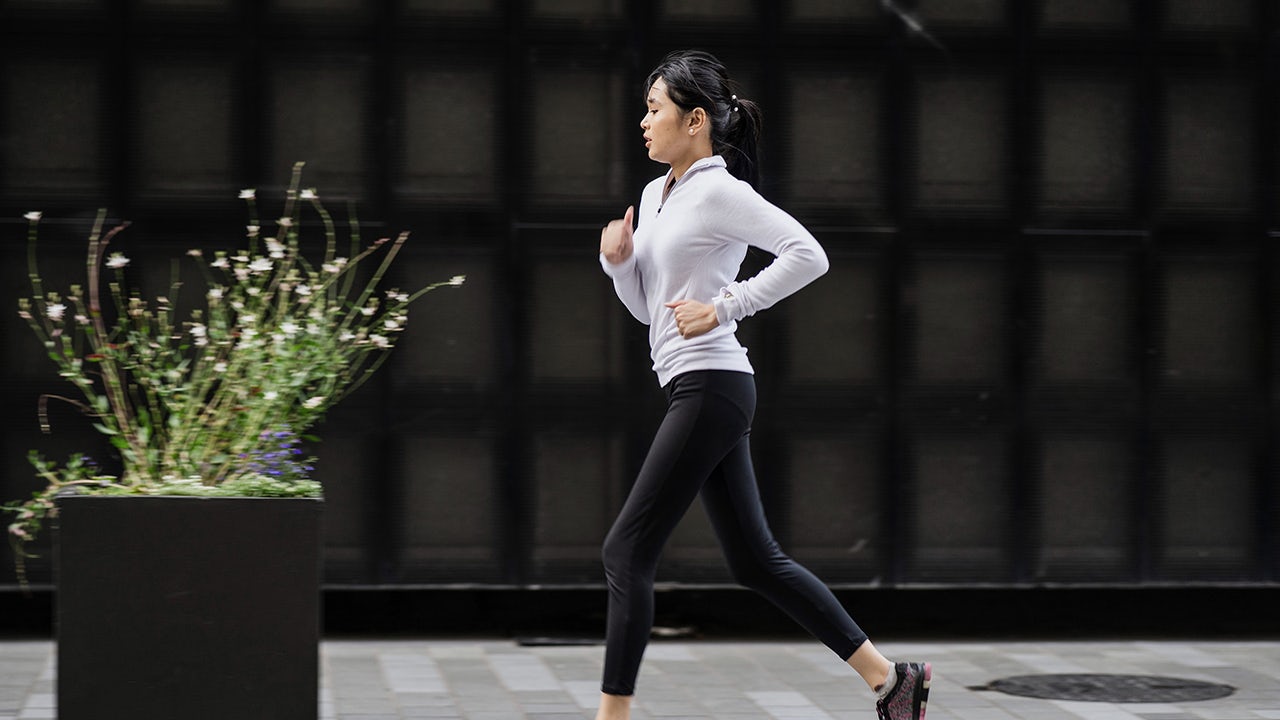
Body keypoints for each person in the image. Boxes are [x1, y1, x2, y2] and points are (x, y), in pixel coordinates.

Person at [595, 50, 931, 720]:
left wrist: (725, 307)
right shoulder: (654, 196)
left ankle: (612, 716)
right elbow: (650, 310)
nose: (643, 122)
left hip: (712, 383)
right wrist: (621, 264)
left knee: (626, 548)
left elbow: (809, 253)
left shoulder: (721, 191)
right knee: (755, 561)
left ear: (694, 121)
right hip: (695, 384)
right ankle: (891, 680)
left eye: (654, 108)